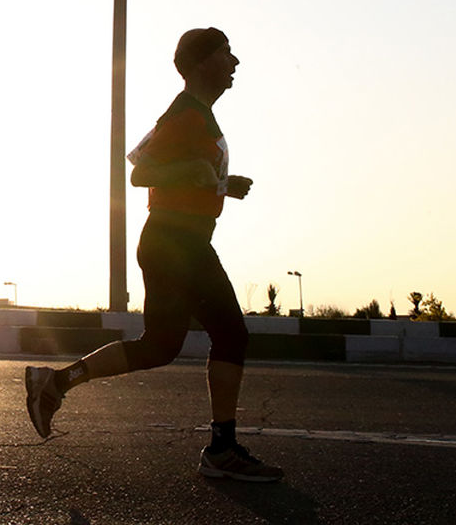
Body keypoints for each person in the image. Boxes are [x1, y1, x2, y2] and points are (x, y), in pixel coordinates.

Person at [24, 28, 283, 482]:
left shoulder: (194, 114)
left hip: (177, 239)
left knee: (160, 346)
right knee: (231, 335)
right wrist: (193, 171)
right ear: (203, 63)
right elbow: (142, 171)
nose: (236, 62)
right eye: (227, 54)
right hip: (177, 242)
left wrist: (222, 183)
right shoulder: (187, 114)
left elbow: (151, 160)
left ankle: (56, 382)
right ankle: (221, 449)